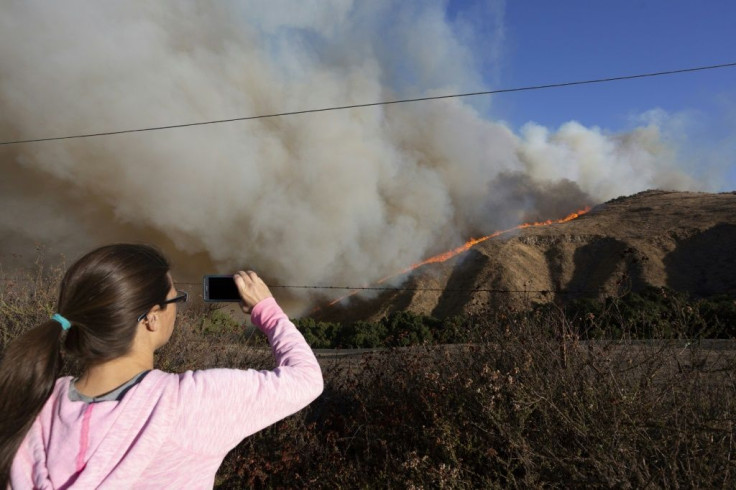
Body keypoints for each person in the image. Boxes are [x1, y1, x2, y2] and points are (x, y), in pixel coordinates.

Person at [0, 244, 323, 488]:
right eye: (175, 299)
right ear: (152, 317)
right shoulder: (192, 402)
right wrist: (266, 309)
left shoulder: (29, 403)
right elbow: (306, 378)